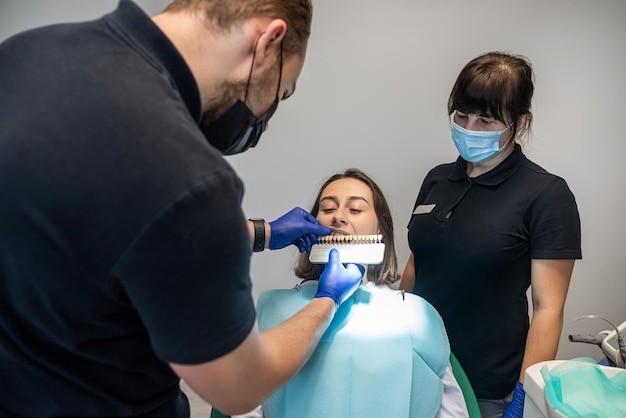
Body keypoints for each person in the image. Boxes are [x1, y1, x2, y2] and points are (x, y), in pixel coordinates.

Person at [0, 1, 364, 417]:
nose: (264, 118)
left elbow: (105, 223)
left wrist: (256, 233)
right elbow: (239, 387)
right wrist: (328, 300)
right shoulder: (189, 179)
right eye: (280, 93)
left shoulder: (25, 53)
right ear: (268, 42)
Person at [399, 52, 582, 418]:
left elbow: (548, 308)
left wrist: (525, 393)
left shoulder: (546, 195)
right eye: (462, 116)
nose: (469, 128)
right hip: (417, 366)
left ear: (520, 121)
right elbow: (419, 261)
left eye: (485, 120)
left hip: (486, 387)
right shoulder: (437, 179)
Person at [236, 168, 470, 418]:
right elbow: (245, 404)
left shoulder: (416, 317)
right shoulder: (272, 310)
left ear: (380, 230)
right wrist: (265, 233)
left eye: (355, 209)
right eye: (327, 209)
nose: (338, 216)